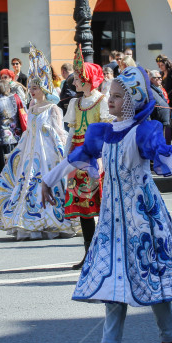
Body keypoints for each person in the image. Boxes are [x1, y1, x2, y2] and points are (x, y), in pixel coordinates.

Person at [41, 66, 172, 343]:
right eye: (110, 95)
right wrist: (48, 180)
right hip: (113, 219)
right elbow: (77, 156)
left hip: (142, 217)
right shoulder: (105, 132)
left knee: (153, 281)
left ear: (133, 100)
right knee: (111, 280)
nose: (110, 100)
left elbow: (163, 153)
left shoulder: (144, 130)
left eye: (116, 96)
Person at [0, 45, 78, 240]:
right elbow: (27, 133)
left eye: (35, 88)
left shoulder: (52, 108)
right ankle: (28, 221)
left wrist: (64, 150)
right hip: (30, 153)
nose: (31, 91)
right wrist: (18, 152)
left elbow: (60, 132)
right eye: (31, 88)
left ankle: (54, 220)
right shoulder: (32, 109)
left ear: (43, 89)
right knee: (26, 183)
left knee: (50, 183)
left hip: (49, 153)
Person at [63, 45, 111, 269]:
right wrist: (66, 158)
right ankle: (89, 252)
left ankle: (106, 251)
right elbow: (72, 133)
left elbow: (105, 133)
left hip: (95, 158)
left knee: (101, 207)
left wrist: (101, 160)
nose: (74, 83)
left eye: (77, 79)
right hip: (79, 159)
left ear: (88, 79)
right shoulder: (76, 103)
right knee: (84, 209)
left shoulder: (102, 101)